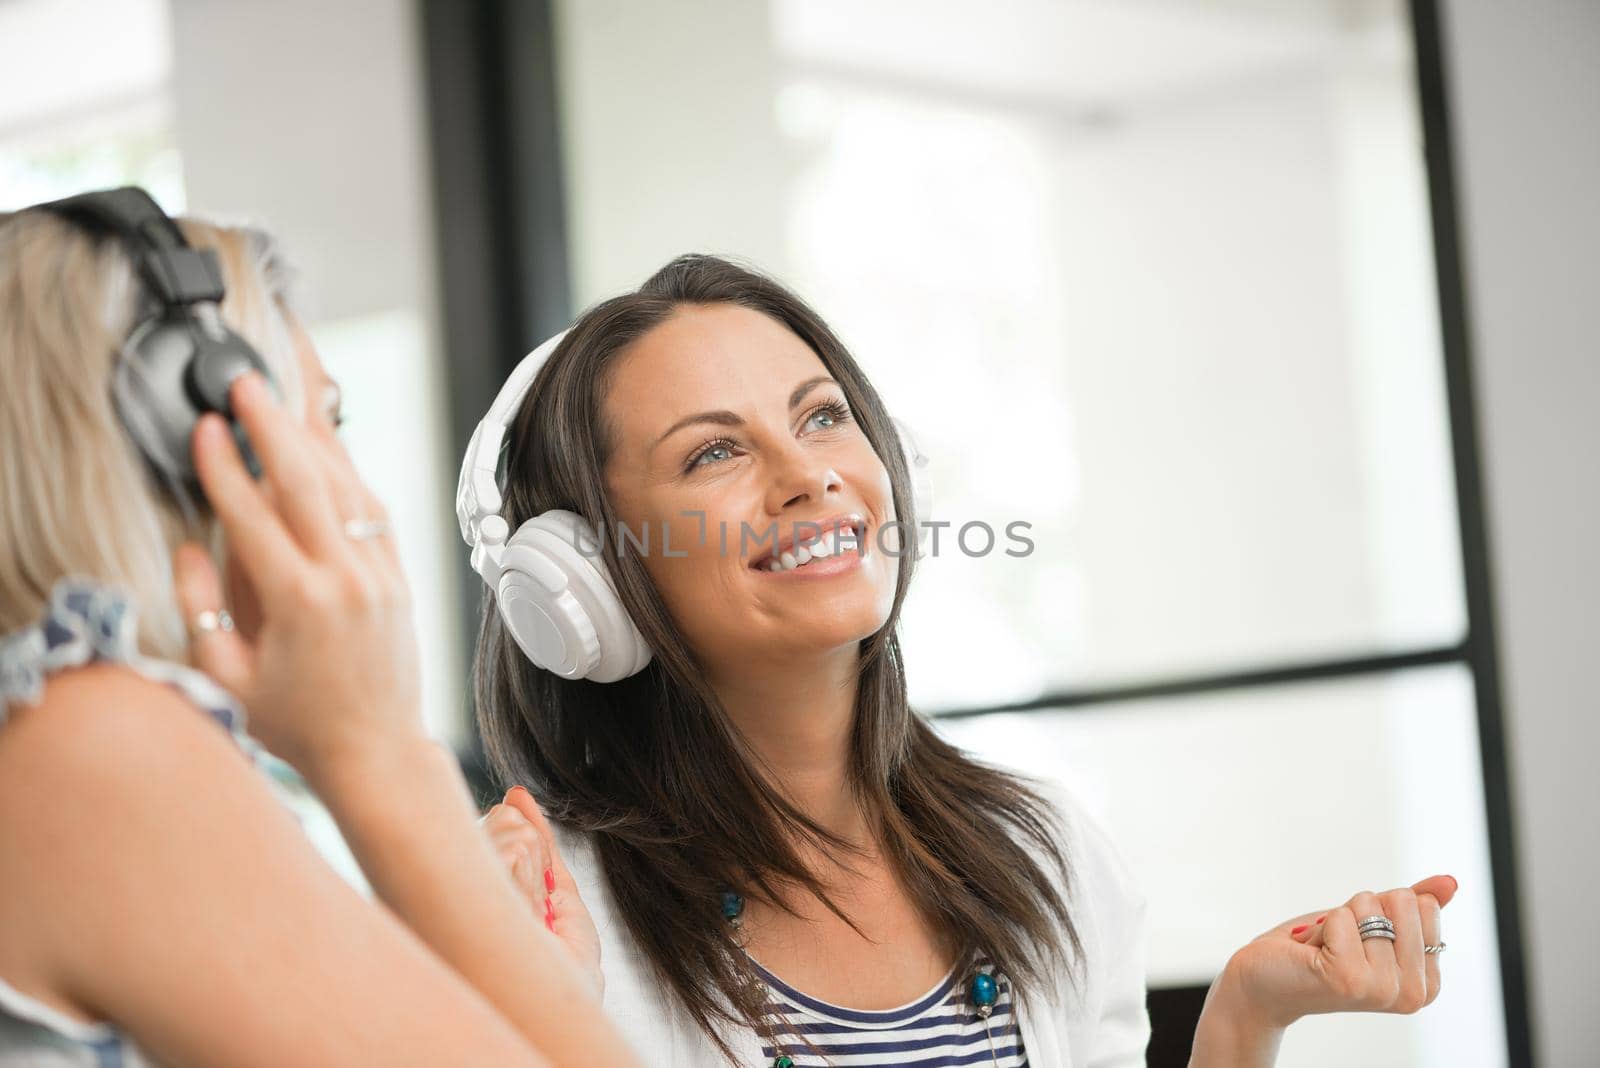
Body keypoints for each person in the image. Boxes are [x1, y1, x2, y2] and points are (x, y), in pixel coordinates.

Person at [465, 252, 1459, 1067]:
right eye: (713, 453)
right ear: (587, 572)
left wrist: (1246, 1017)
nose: (808, 474)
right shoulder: (546, 910)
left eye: (820, 418)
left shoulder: (1042, 852)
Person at [0, 189, 640, 1067]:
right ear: (201, 433)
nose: (347, 478)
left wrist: (541, 995)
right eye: (325, 421)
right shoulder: (86, 747)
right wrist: (375, 748)